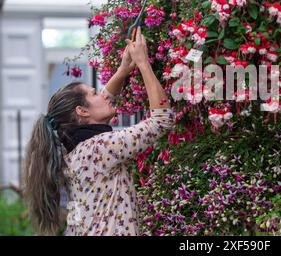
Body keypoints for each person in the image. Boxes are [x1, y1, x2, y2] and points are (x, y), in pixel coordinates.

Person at [23, 27, 174, 235]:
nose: (103, 95)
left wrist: (123, 69)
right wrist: (143, 63)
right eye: (94, 93)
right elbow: (162, 120)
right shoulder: (101, 147)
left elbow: (104, 100)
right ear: (82, 111)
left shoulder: (74, 149)